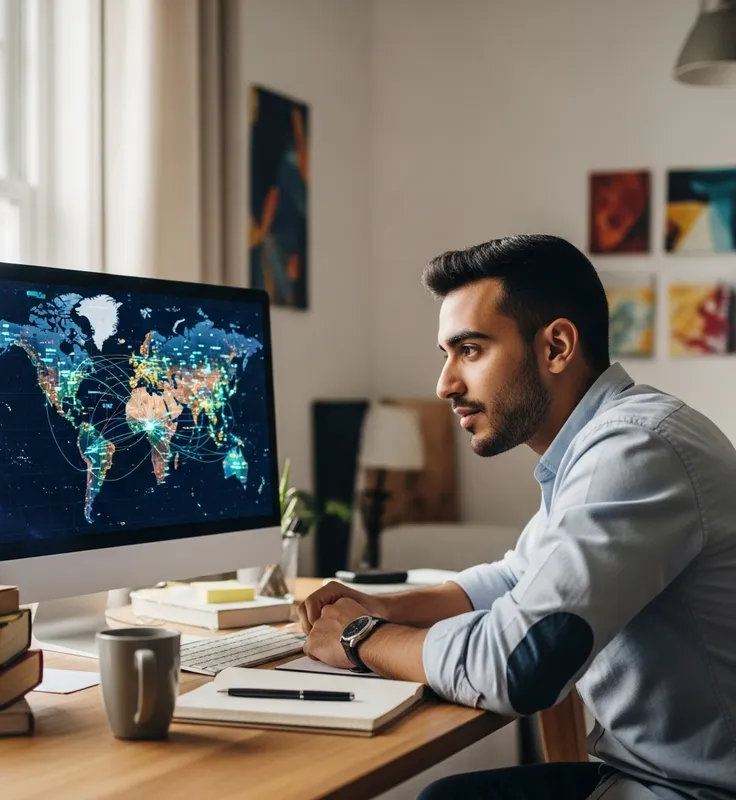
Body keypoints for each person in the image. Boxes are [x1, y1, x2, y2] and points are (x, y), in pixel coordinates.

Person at [298, 235, 736, 800]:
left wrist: (362, 636)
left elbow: (520, 664)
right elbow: (516, 576)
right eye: (446, 354)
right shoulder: (600, 444)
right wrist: (385, 607)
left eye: (470, 350)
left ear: (556, 347)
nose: (445, 384)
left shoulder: (635, 449)